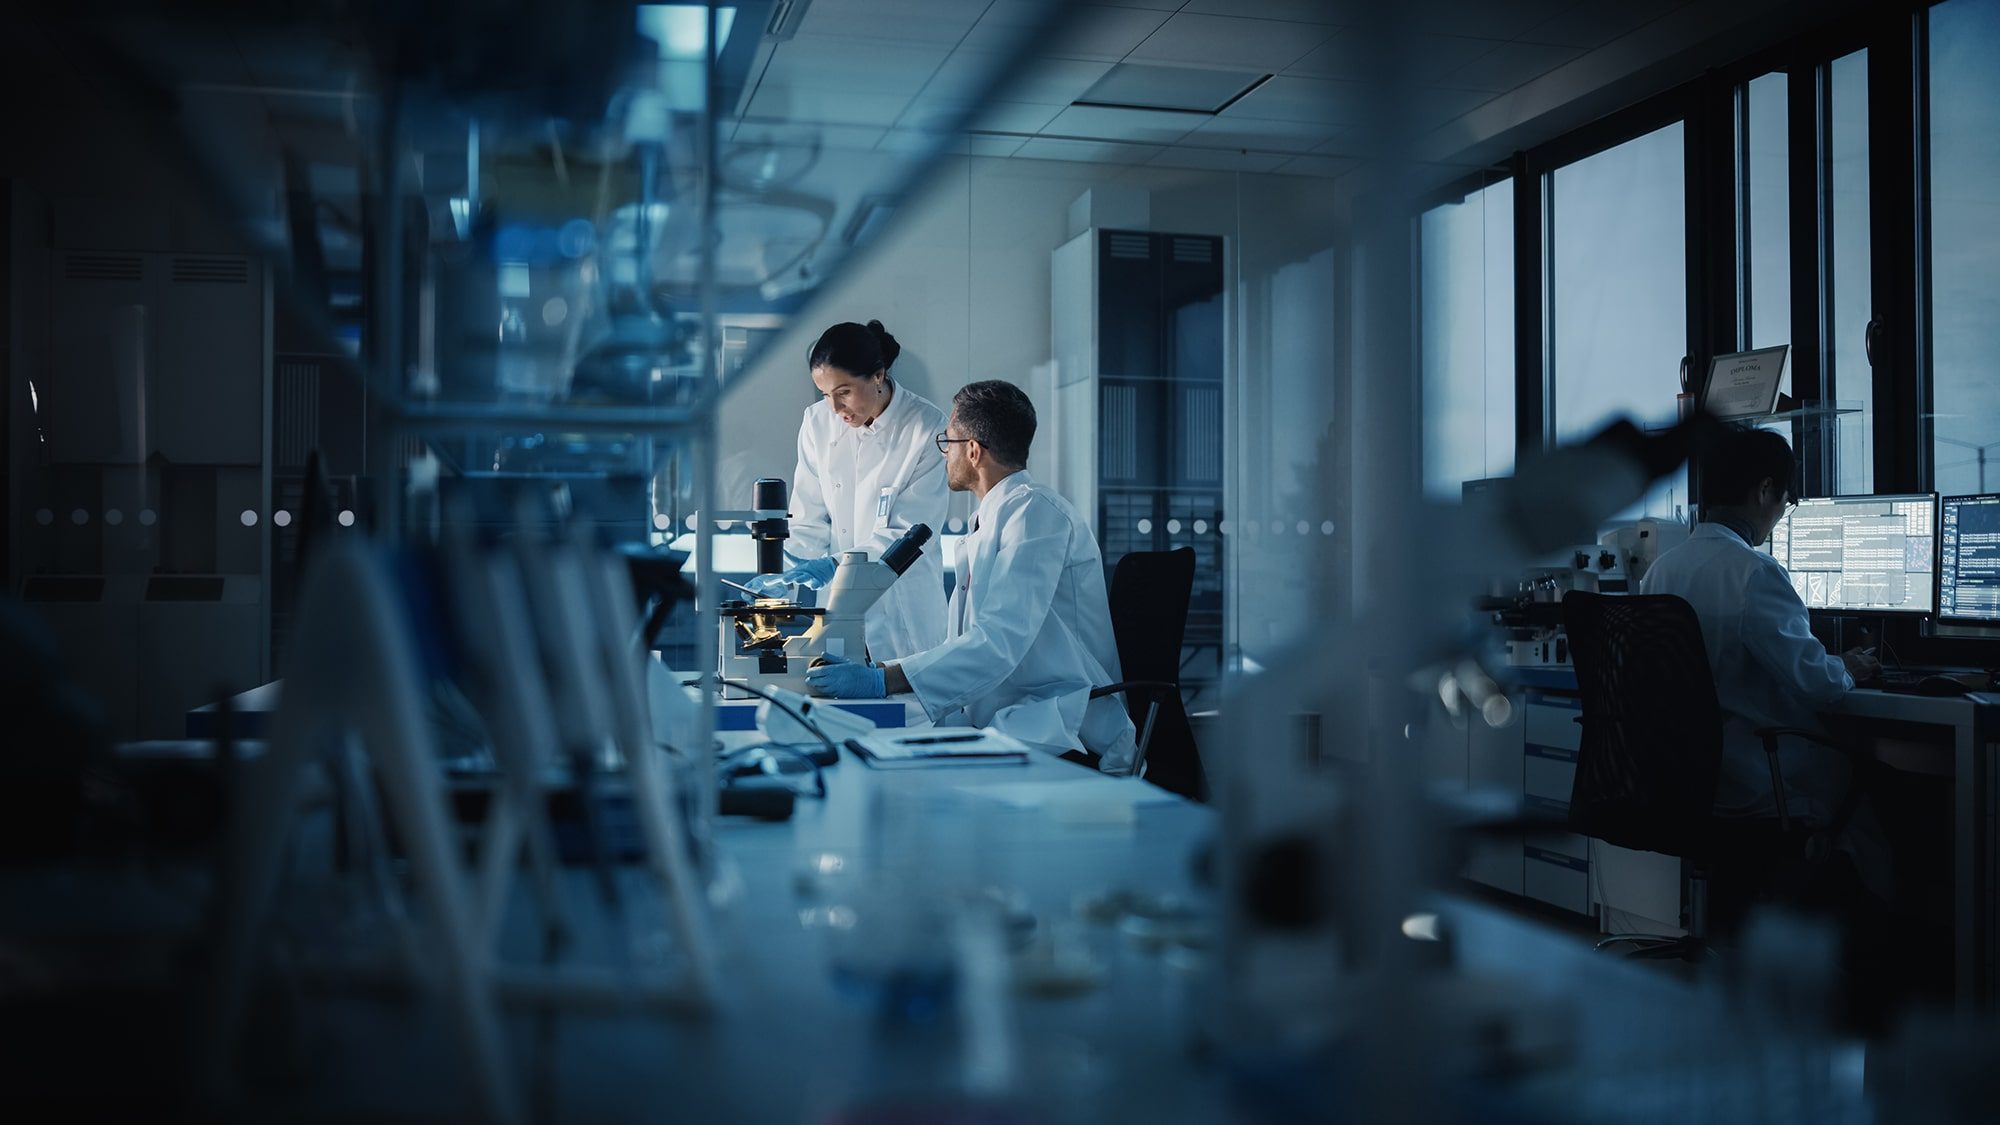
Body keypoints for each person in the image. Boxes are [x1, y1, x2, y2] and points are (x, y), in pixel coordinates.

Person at [804, 380, 1136, 773]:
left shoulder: (1036, 515)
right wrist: (878, 673)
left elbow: (997, 642)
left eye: (948, 442)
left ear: (974, 451)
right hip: (1010, 713)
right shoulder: (992, 519)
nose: (944, 454)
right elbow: (969, 646)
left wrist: (883, 681)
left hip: (1060, 722)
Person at [1638, 427, 1887, 892]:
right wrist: (1849, 667)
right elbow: (1819, 685)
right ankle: (1879, 950)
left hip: (1686, 782)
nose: (1780, 513)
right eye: (1786, 501)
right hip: (1757, 781)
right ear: (1766, 489)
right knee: (1875, 808)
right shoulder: (1755, 572)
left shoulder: (1660, 571)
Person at [744, 321, 949, 663]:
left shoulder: (926, 427)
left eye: (844, 392)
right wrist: (787, 578)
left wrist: (833, 565)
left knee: (905, 708)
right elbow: (809, 517)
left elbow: (909, 535)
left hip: (902, 616)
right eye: (825, 395)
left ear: (878, 376)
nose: (836, 409)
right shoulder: (816, 423)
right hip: (837, 611)